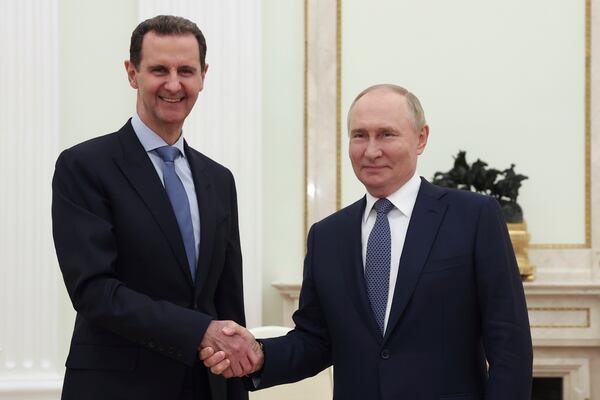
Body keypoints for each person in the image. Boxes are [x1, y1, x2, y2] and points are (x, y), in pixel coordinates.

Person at [202, 84, 533, 399]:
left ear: (421, 138)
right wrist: (258, 355)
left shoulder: (474, 217)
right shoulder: (327, 236)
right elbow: (315, 341)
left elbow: (509, 345)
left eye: (386, 134)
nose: (371, 150)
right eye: (359, 135)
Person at [52, 15, 261, 400]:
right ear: (132, 74)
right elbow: (94, 291)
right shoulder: (83, 167)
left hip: (206, 386)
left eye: (186, 70)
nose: (174, 84)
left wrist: (235, 383)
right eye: (158, 70)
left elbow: (226, 300)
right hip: (117, 387)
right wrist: (199, 330)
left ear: (203, 76)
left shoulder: (219, 179)